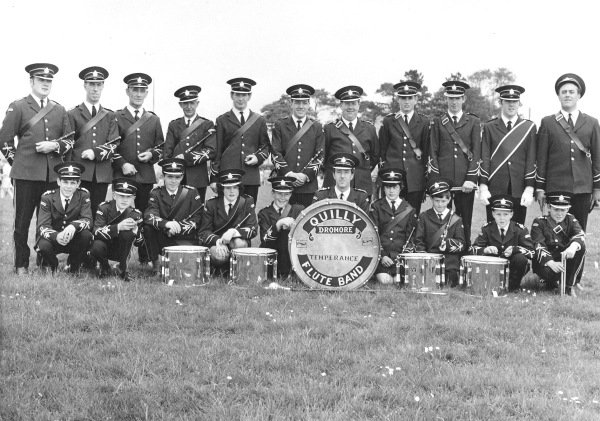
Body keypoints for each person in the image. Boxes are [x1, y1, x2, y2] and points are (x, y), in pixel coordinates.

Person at [0, 63, 73, 274]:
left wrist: (55, 146)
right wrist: (20, 163)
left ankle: (44, 262)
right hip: (25, 176)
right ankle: (21, 265)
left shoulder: (59, 109)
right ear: (31, 81)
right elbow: (4, 141)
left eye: (48, 81)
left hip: (51, 176)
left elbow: (69, 141)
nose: (45, 84)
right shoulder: (19, 106)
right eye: (41, 80)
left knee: (48, 222)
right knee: (22, 222)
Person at [536, 73, 600, 232]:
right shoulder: (547, 122)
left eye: (572, 92)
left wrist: (597, 189)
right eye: (564, 92)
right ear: (558, 95)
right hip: (555, 187)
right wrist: (540, 188)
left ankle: (578, 258)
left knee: (579, 232)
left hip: (582, 189)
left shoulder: (592, 123)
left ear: (579, 95)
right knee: (553, 234)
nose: (567, 95)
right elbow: (541, 158)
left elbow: (598, 157)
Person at [113, 73, 164, 265]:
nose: (139, 94)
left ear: (147, 93)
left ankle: (145, 258)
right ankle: (118, 258)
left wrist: (152, 155)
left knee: (145, 217)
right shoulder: (116, 116)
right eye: (135, 90)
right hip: (122, 176)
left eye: (142, 91)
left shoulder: (153, 119)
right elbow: (111, 146)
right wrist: (122, 164)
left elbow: (161, 147)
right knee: (120, 215)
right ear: (128, 91)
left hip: (145, 177)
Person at [429, 81, 481, 249]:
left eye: (457, 98)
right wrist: (438, 182)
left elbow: (476, 152)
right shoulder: (438, 121)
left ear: (463, 99)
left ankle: (464, 254)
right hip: (444, 182)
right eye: (450, 98)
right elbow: (433, 151)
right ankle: (441, 255)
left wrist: (471, 179)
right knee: (441, 221)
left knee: (465, 221)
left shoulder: (473, 121)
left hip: (465, 182)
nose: (454, 102)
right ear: (446, 100)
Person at [479, 85, 537, 224]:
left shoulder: (528, 127)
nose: (511, 105)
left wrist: (529, 189)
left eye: (514, 102)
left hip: (519, 187)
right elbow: (485, 157)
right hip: (495, 186)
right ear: (501, 103)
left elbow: (531, 159)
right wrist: (483, 187)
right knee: (493, 229)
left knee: (518, 230)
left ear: (519, 103)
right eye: (507, 101)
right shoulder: (489, 127)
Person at [67, 66, 120, 216]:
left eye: (98, 85)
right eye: (91, 84)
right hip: (79, 174)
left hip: (101, 175)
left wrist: (95, 153)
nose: (95, 89)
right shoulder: (73, 114)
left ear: (103, 86)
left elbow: (114, 144)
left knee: (97, 214)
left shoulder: (110, 116)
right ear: (85, 86)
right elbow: (68, 145)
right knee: (76, 214)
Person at [211, 78, 270, 204]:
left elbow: (265, 146)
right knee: (226, 214)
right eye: (237, 94)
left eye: (244, 95)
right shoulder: (222, 120)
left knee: (248, 214)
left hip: (250, 176)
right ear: (231, 95)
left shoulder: (259, 121)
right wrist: (214, 178)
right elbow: (217, 150)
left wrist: (258, 157)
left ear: (250, 96)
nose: (241, 98)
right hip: (228, 177)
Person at [143, 158, 204, 273]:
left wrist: (177, 228)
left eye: (177, 177)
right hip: (164, 239)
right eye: (170, 177)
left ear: (182, 177)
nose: (173, 181)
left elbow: (198, 218)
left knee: (183, 269)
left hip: (184, 238)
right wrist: (167, 224)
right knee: (148, 228)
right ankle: (156, 263)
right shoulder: (155, 193)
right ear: (163, 177)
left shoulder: (191, 192)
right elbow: (149, 216)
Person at [379, 81, 430, 214]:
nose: (406, 101)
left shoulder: (424, 122)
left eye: (410, 98)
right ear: (397, 99)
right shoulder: (389, 121)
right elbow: (383, 150)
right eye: (403, 98)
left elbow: (426, 151)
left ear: (416, 99)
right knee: (391, 216)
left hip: (415, 179)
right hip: (393, 178)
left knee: (412, 217)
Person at [271, 84, 325, 207]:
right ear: (291, 103)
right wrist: (290, 175)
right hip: (284, 186)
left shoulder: (316, 127)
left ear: (308, 104)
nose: (301, 106)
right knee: (284, 223)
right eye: (297, 102)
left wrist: (305, 175)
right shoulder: (280, 125)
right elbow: (275, 152)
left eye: (304, 103)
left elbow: (320, 155)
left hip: (308, 187)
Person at [469, 194, 534, 291]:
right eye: (498, 214)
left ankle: (514, 286)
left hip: (513, 266)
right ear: (493, 214)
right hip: (493, 267)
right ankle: (492, 284)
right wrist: (485, 250)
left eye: (505, 214)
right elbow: (472, 249)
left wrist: (515, 250)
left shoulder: (520, 229)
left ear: (511, 214)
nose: (502, 218)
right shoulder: (487, 229)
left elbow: (531, 252)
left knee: (520, 258)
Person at [36, 162, 93, 274]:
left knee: (86, 235)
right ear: (58, 181)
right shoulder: (47, 197)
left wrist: (74, 225)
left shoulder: (83, 195)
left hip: (73, 239)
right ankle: (53, 266)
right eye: (65, 182)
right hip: (53, 239)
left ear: (78, 184)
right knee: (43, 245)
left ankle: (73, 266)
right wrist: (56, 236)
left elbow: (88, 220)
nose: (68, 186)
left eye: (73, 183)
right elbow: (42, 226)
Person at [163, 85, 216, 203]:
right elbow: (167, 152)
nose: (189, 107)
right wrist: (168, 175)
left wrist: (186, 158)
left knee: (197, 212)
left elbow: (211, 150)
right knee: (175, 211)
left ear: (197, 103)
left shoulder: (206, 124)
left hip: (198, 179)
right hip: (176, 178)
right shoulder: (174, 125)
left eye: (192, 103)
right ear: (180, 105)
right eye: (185, 103)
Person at [323, 85, 379, 196]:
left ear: (359, 105)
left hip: (362, 186)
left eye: (353, 103)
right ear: (341, 105)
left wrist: (361, 171)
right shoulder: (329, 129)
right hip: (335, 186)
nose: (350, 107)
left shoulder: (369, 129)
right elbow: (323, 159)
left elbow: (375, 156)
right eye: (347, 103)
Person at [199, 169, 258, 272]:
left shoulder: (247, 202)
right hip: (218, 243)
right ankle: (220, 270)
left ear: (239, 188)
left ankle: (238, 271)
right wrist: (218, 241)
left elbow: (253, 229)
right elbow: (204, 232)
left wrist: (233, 232)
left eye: (235, 187)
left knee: (239, 244)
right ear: (222, 189)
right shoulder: (211, 204)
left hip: (237, 241)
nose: (232, 191)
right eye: (228, 188)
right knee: (219, 256)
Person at [530, 192, 586, 297]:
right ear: (549, 207)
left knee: (580, 247)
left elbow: (580, 235)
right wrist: (550, 262)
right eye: (556, 209)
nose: (559, 213)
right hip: (547, 261)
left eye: (563, 210)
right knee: (548, 273)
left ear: (568, 209)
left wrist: (573, 247)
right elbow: (538, 244)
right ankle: (553, 282)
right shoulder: (539, 222)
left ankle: (568, 286)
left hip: (564, 259)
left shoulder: (570, 219)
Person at [90, 178, 144, 282]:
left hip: (122, 249)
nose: (124, 200)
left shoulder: (136, 214)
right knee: (95, 247)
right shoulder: (104, 208)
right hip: (104, 246)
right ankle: (104, 266)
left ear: (134, 197)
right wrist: (118, 227)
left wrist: (136, 230)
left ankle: (123, 269)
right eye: (121, 196)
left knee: (128, 234)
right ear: (114, 195)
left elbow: (139, 243)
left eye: (128, 197)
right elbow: (95, 233)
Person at [414, 177, 465, 287]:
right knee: (428, 281)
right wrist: (425, 258)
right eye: (437, 201)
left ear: (449, 200)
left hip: (449, 262)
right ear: (431, 199)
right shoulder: (424, 216)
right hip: (429, 260)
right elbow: (418, 240)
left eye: (443, 201)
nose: (440, 204)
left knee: (449, 281)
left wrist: (447, 244)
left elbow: (462, 243)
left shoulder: (456, 219)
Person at [370, 168, 417, 284]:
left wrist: (403, 256)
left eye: (395, 187)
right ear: (384, 188)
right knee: (385, 281)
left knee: (398, 280)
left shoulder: (409, 209)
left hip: (400, 257)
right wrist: (382, 256)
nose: (391, 191)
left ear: (400, 188)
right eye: (388, 187)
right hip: (382, 258)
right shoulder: (376, 207)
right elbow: (372, 234)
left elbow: (411, 237)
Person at [258, 176, 304, 278]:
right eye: (279, 193)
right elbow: (265, 240)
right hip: (272, 258)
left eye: (287, 194)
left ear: (291, 194)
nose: (283, 198)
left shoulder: (299, 210)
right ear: (272, 193)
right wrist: (278, 225)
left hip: (291, 257)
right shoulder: (264, 213)